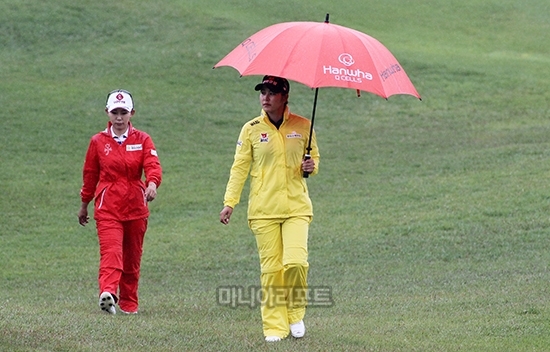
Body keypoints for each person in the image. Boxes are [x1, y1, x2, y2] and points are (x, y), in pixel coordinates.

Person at [219, 76, 320, 342]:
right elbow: (239, 167)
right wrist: (230, 202)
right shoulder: (251, 129)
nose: (265, 97)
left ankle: (295, 311)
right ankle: (275, 327)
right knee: (272, 270)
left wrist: (311, 166)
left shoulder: (303, 126)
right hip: (263, 210)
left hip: (296, 207)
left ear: (285, 96)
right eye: (262, 92)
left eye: (272, 93)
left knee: (296, 262)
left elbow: (314, 158)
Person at [78, 89, 162, 315]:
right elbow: (90, 175)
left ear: (131, 113)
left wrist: (152, 183)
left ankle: (129, 304)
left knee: (132, 258)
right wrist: (85, 203)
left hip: (136, 207)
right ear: (107, 112)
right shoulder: (97, 142)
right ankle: (107, 293)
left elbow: (153, 166)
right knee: (111, 253)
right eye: (114, 112)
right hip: (108, 209)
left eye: (123, 112)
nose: (118, 117)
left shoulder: (143, 139)